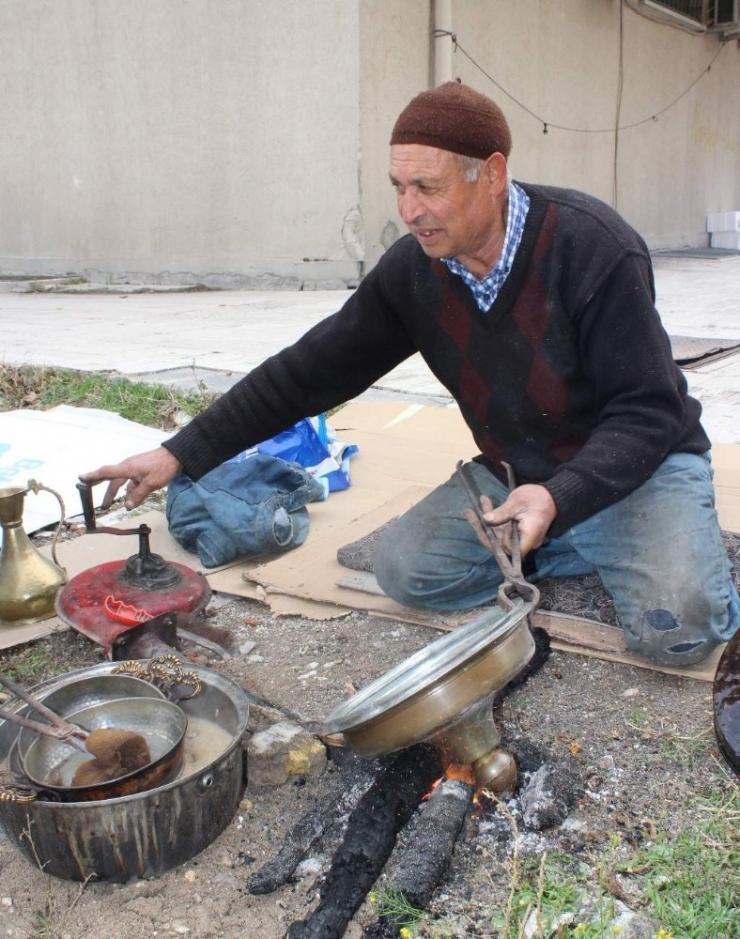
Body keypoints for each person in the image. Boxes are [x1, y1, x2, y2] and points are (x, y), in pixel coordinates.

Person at [81, 81, 739, 668]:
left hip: (636, 464)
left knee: (680, 632)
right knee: (403, 569)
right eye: (399, 187)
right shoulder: (414, 273)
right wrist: (179, 453)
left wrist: (563, 496)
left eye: (427, 187)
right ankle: (584, 537)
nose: (410, 208)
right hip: (519, 471)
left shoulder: (593, 247)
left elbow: (648, 411)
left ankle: (625, 530)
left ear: (493, 174)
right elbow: (307, 372)